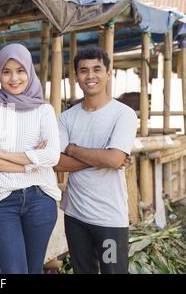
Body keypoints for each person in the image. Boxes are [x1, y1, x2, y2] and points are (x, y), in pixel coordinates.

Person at [0, 43, 61, 274]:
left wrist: (1, 154)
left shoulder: (44, 110)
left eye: (20, 71)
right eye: (7, 71)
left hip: (41, 200)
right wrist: (32, 164)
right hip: (1, 201)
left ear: (30, 72)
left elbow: (51, 156)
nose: (14, 78)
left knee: (33, 271)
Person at [54, 47, 137, 274]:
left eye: (97, 69)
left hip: (110, 220)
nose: (90, 76)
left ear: (108, 73)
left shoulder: (124, 114)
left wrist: (72, 149)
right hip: (75, 217)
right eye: (84, 71)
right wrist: (104, 157)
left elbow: (114, 159)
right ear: (77, 77)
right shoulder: (67, 117)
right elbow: (57, 163)